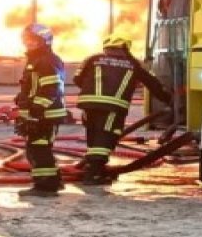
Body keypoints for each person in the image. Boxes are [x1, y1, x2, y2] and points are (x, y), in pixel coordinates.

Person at [73, 34, 171, 185]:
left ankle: (93, 168)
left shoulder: (92, 59)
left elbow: (77, 79)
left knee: (94, 135)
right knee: (105, 137)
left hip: (89, 104)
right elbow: (153, 84)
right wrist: (169, 100)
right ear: (125, 48)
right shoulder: (133, 64)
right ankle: (94, 175)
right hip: (112, 106)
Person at [13, 24, 68, 197]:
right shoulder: (37, 59)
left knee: (38, 149)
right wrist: (21, 99)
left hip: (45, 115)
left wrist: (36, 113)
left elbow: (51, 88)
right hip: (39, 114)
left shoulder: (46, 60)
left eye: (32, 40)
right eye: (26, 40)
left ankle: (45, 187)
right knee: (39, 148)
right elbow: (34, 87)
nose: (28, 43)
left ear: (44, 41)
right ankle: (53, 181)